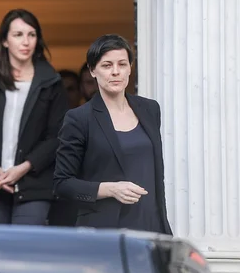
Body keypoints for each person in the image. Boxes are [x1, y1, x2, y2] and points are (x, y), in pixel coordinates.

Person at [53, 34, 172, 234]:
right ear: (92, 70)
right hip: (104, 230)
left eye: (122, 64)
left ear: (130, 68)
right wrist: (111, 189)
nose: (116, 72)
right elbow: (62, 183)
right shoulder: (79, 118)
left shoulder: (150, 109)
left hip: (151, 226)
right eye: (107, 65)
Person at [0, 9, 68, 225]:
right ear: (4, 40)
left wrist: (23, 168)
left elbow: (57, 136)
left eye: (31, 35)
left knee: (26, 248)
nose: (26, 42)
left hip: (33, 183)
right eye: (18, 35)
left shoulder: (51, 81)